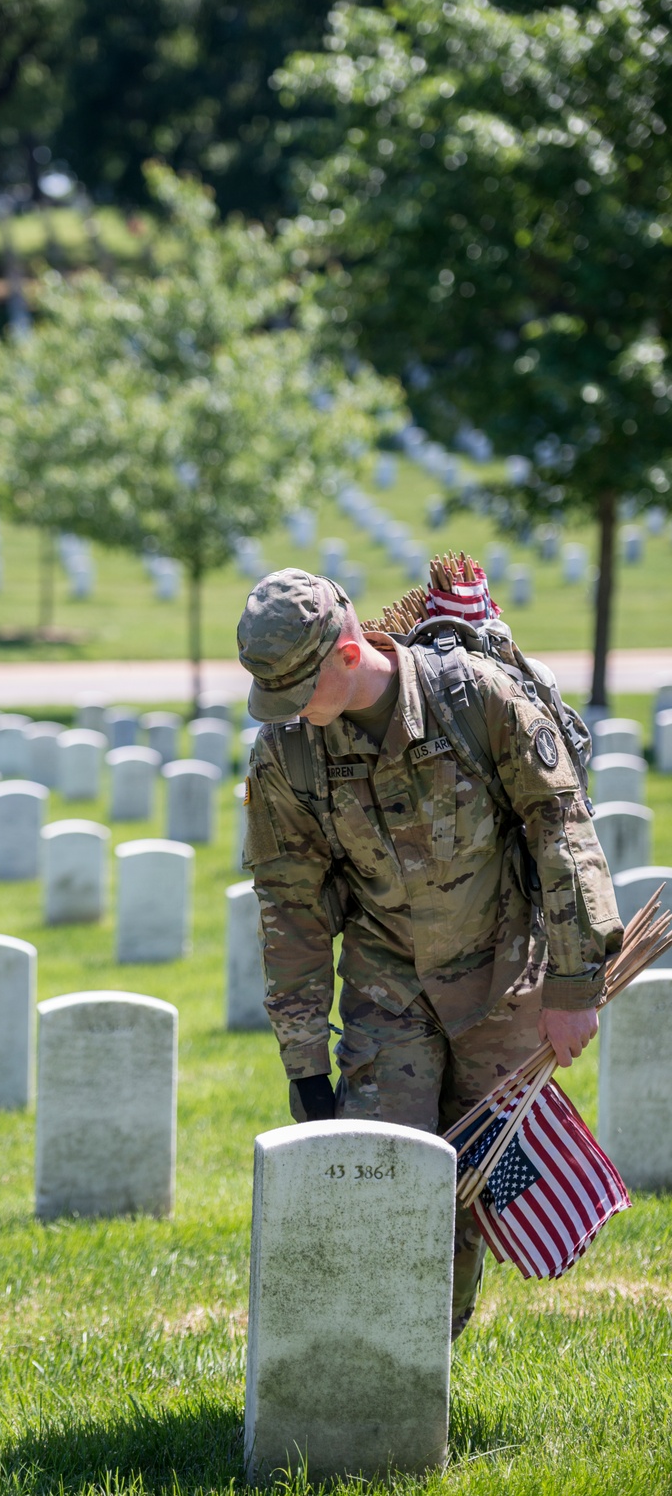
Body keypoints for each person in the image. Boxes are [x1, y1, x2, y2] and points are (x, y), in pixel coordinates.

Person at [238, 567, 622, 1336]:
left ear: (348, 656)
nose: (288, 717)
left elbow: (562, 830)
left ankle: (425, 1363)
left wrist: (575, 986)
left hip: (502, 971)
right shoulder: (289, 753)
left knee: (473, 1187)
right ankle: (373, 1354)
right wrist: (306, 1063)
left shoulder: (476, 700)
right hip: (390, 985)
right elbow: (291, 905)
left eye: (298, 693)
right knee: (382, 1175)